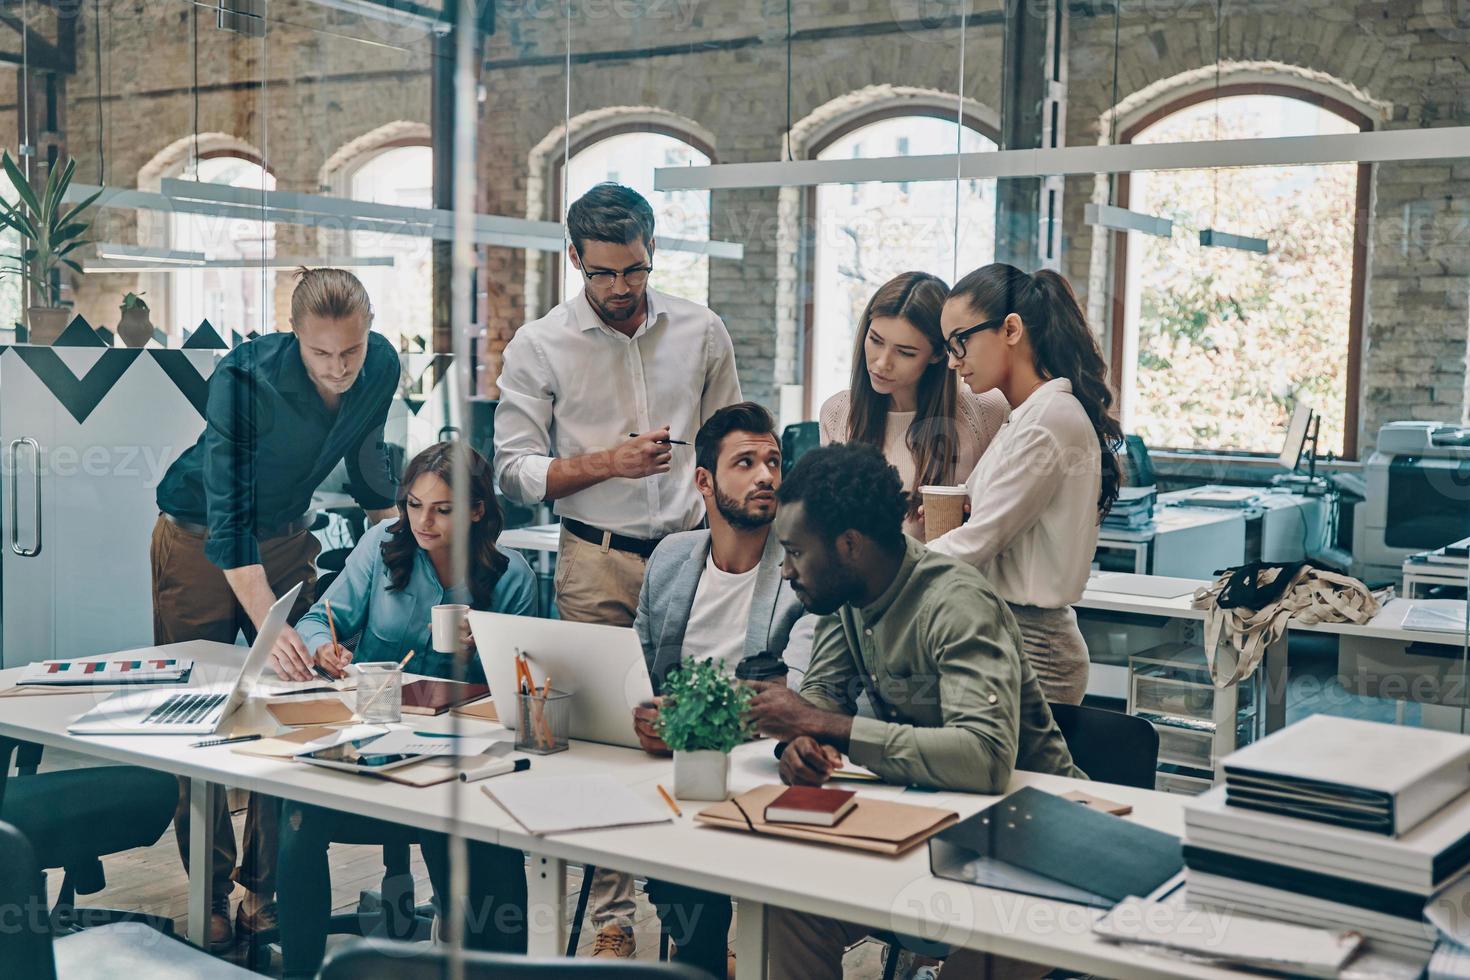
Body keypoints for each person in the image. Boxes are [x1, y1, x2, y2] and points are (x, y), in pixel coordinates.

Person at [493, 182, 743, 958]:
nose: (620, 289)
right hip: (594, 562)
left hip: (694, 561)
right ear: (575, 260)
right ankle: (611, 920)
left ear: (652, 252)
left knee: (697, 733)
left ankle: (698, 919)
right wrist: (609, 463)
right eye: (602, 274)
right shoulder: (539, 346)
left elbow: (731, 438)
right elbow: (512, 472)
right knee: (605, 746)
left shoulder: (701, 331)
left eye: (632, 270)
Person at [745, 443, 1083, 980]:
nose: (786, 570)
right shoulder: (847, 596)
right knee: (791, 904)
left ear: (848, 544)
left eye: (795, 552)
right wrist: (799, 747)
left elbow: (985, 758)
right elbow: (821, 703)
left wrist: (822, 725)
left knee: (982, 957)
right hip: (930, 823)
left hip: (1039, 847)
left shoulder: (955, 603)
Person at [151, 267, 401, 950]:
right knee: (204, 713)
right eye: (322, 354)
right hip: (203, 537)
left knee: (293, 709)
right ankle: (207, 892)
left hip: (288, 535)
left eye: (350, 349)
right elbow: (228, 519)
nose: (339, 367)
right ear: (294, 338)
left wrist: (397, 545)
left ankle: (262, 893)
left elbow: (369, 460)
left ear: (368, 332)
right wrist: (271, 623)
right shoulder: (244, 379)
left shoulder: (379, 363)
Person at [275, 441, 533, 979]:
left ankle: (487, 965)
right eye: (414, 505)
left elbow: (521, 689)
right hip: (368, 740)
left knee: (476, 828)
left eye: (442, 509)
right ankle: (302, 970)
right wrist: (323, 646)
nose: (423, 521)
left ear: (477, 511)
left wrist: (479, 654)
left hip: (454, 756)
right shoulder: (380, 546)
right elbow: (319, 619)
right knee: (295, 811)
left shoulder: (512, 577)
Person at [628, 402, 815, 980]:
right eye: (746, 462)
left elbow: (803, 695)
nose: (766, 476)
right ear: (704, 480)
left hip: (762, 767)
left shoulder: (802, 570)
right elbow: (635, 667)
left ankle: (711, 958)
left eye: (774, 461)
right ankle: (701, 959)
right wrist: (643, 713)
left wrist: (695, 721)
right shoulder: (671, 557)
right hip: (672, 768)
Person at [927, 264, 1123, 705]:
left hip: (1036, 648)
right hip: (1010, 635)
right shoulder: (1028, 415)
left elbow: (981, 541)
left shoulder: (1048, 419)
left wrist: (883, 567)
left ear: (1010, 329)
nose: (955, 360)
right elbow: (990, 521)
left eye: (961, 341)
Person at [819, 271, 1007, 539]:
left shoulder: (985, 410)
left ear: (939, 354)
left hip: (948, 576)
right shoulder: (838, 412)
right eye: (875, 340)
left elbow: (1006, 513)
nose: (882, 363)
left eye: (905, 352)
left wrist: (972, 512)